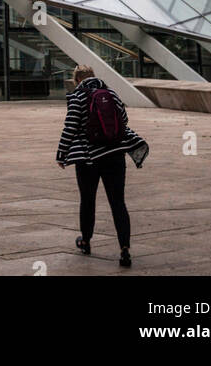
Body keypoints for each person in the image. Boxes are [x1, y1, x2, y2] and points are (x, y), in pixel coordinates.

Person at [56, 64, 149, 269]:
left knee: (88, 201)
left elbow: (70, 127)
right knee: (118, 203)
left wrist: (62, 154)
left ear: (77, 80)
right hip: (115, 155)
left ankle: (86, 242)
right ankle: (125, 249)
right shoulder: (112, 94)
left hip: (88, 158)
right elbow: (123, 121)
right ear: (93, 77)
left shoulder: (78, 97)